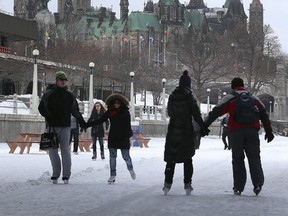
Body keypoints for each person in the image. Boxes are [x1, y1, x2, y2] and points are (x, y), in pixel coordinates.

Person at [204, 77, 274, 196]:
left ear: (232, 86)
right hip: (252, 131)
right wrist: (268, 131)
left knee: (237, 159)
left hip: (236, 132)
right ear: (243, 86)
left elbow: (216, 111)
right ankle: (258, 183)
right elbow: (263, 113)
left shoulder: (230, 98)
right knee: (254, 157)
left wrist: (204, 126)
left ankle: (238, 187)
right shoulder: (253, 98)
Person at [162, 70, 209, 195]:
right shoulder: (190, 97)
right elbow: (197, 115)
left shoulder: (172, 96)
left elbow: (170, 113)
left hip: (173, 131)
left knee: (171, 159)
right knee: (187, 159)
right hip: (186, 132)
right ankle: (187, 184)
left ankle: (167, 184)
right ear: (188, 85)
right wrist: (203, 127)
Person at [38, 71, 86, 184]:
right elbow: (41, 108)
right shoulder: (48, 94)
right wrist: (49, 117)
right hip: (51, 126)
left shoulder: (69, 95)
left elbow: (75, 110)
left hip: (65, 126)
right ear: (56, 80)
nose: (63, 81)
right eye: (61, 79)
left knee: (65, 150)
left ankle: (66, 175)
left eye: (65, 80)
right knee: (52, 151)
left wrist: (82, 122)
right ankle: (56, 173)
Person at [86, 93, 136, 184]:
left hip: (123, 137)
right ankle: (112, 175)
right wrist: (88, 124)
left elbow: (128, 126)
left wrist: (128, 136)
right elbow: (100, 120)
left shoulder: (125, 112)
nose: (116, 104)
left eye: (118, 103)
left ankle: (130, 168)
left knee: (126, 157)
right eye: (115, 102)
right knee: (112, 157)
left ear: (121, 103)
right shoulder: (110, 112)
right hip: (113, 136)